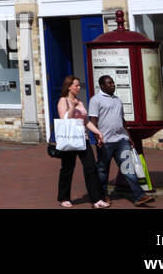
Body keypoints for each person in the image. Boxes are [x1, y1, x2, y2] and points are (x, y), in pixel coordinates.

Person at [88, 75, 155, 206]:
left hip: (121, 140)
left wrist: (128, 136)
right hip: (105, 142)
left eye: (113, 83)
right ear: (102, 86)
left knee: (128, 169)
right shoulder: (95, 100)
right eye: (109, 83)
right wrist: (97, 138)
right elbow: (93, 121)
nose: (113, 85)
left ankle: (139, 196)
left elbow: (122, 120)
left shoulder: (117, 100)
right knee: (102, 171)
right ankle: (103, 195)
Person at [54, 75, 108, 208]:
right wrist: (72, 106)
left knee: (91, 167)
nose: (79, 88)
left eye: (79, 85)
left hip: (83, 139)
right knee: (67, 168)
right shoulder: (63, 101)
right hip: (69, 140)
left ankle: (96, 200)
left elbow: (86, 121)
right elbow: (65, 119)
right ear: (69, 87)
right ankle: (63, 198)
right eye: (76, 85)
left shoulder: (80, 101)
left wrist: (97, 132)